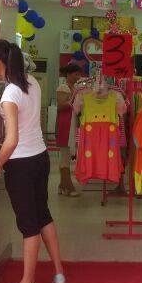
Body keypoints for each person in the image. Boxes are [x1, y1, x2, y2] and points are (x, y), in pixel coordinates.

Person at [0, 39, 65, 283]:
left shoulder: (10, 93)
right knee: (43, 215)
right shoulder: (32, 83)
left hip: (20, 163)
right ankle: (58, 271)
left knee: (28, 224)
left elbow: (11, 140)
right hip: (40, 157)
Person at [55, 62, 85, 197]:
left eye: (79, 74)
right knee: (65, 155)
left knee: (66, 155)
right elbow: (60, 106)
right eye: (76, 74)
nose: (78, 77)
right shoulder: (63, 87)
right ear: (68, 74)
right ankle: (68, 186)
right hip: (64, 124)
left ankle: (62, 185)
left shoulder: (74, 88)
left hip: (71, 124)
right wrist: (74, 100)